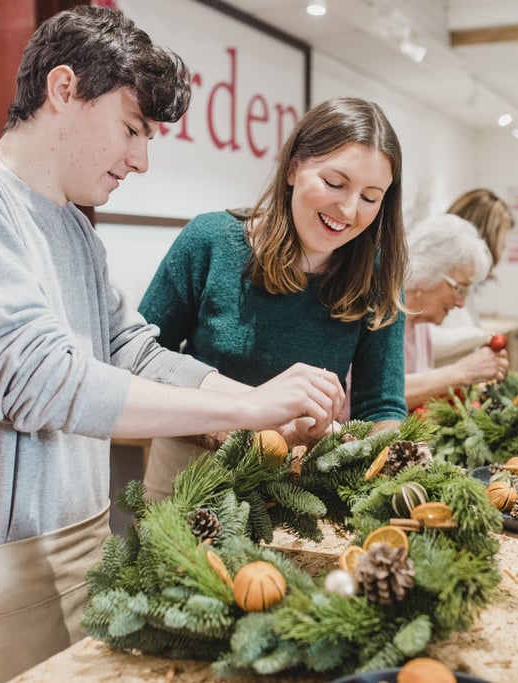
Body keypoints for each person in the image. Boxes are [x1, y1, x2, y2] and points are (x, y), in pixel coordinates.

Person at [0, 7, 343, 683]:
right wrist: (246, 413)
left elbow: (134, 350)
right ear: (63, 89)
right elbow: (37, 379)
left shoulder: (75, 233)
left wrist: (256, 398)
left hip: (86, 564)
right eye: (132, 130)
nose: (140, 159)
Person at [138, 96, 409, 500]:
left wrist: (395, 453)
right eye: (334, 183)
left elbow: (381, 406)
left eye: (371, 197)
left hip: (303, 492)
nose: (349, 210)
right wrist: (242, 426)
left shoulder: (377, 274)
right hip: (189, 478)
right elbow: (140, 361)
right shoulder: (210, 241)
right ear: (293, 166)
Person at [403, 214, 509, 410]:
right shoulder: (382, 318)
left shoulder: (419, 325)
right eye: (459, 288)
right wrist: (464, 372)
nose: (461, 303)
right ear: (428, 272)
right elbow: (378, 398)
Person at [429, 188, 515, 365]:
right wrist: (481, 336)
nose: (502, 250)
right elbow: (428, 341)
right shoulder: (436, 279)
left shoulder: (463, 285)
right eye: (502, 242)